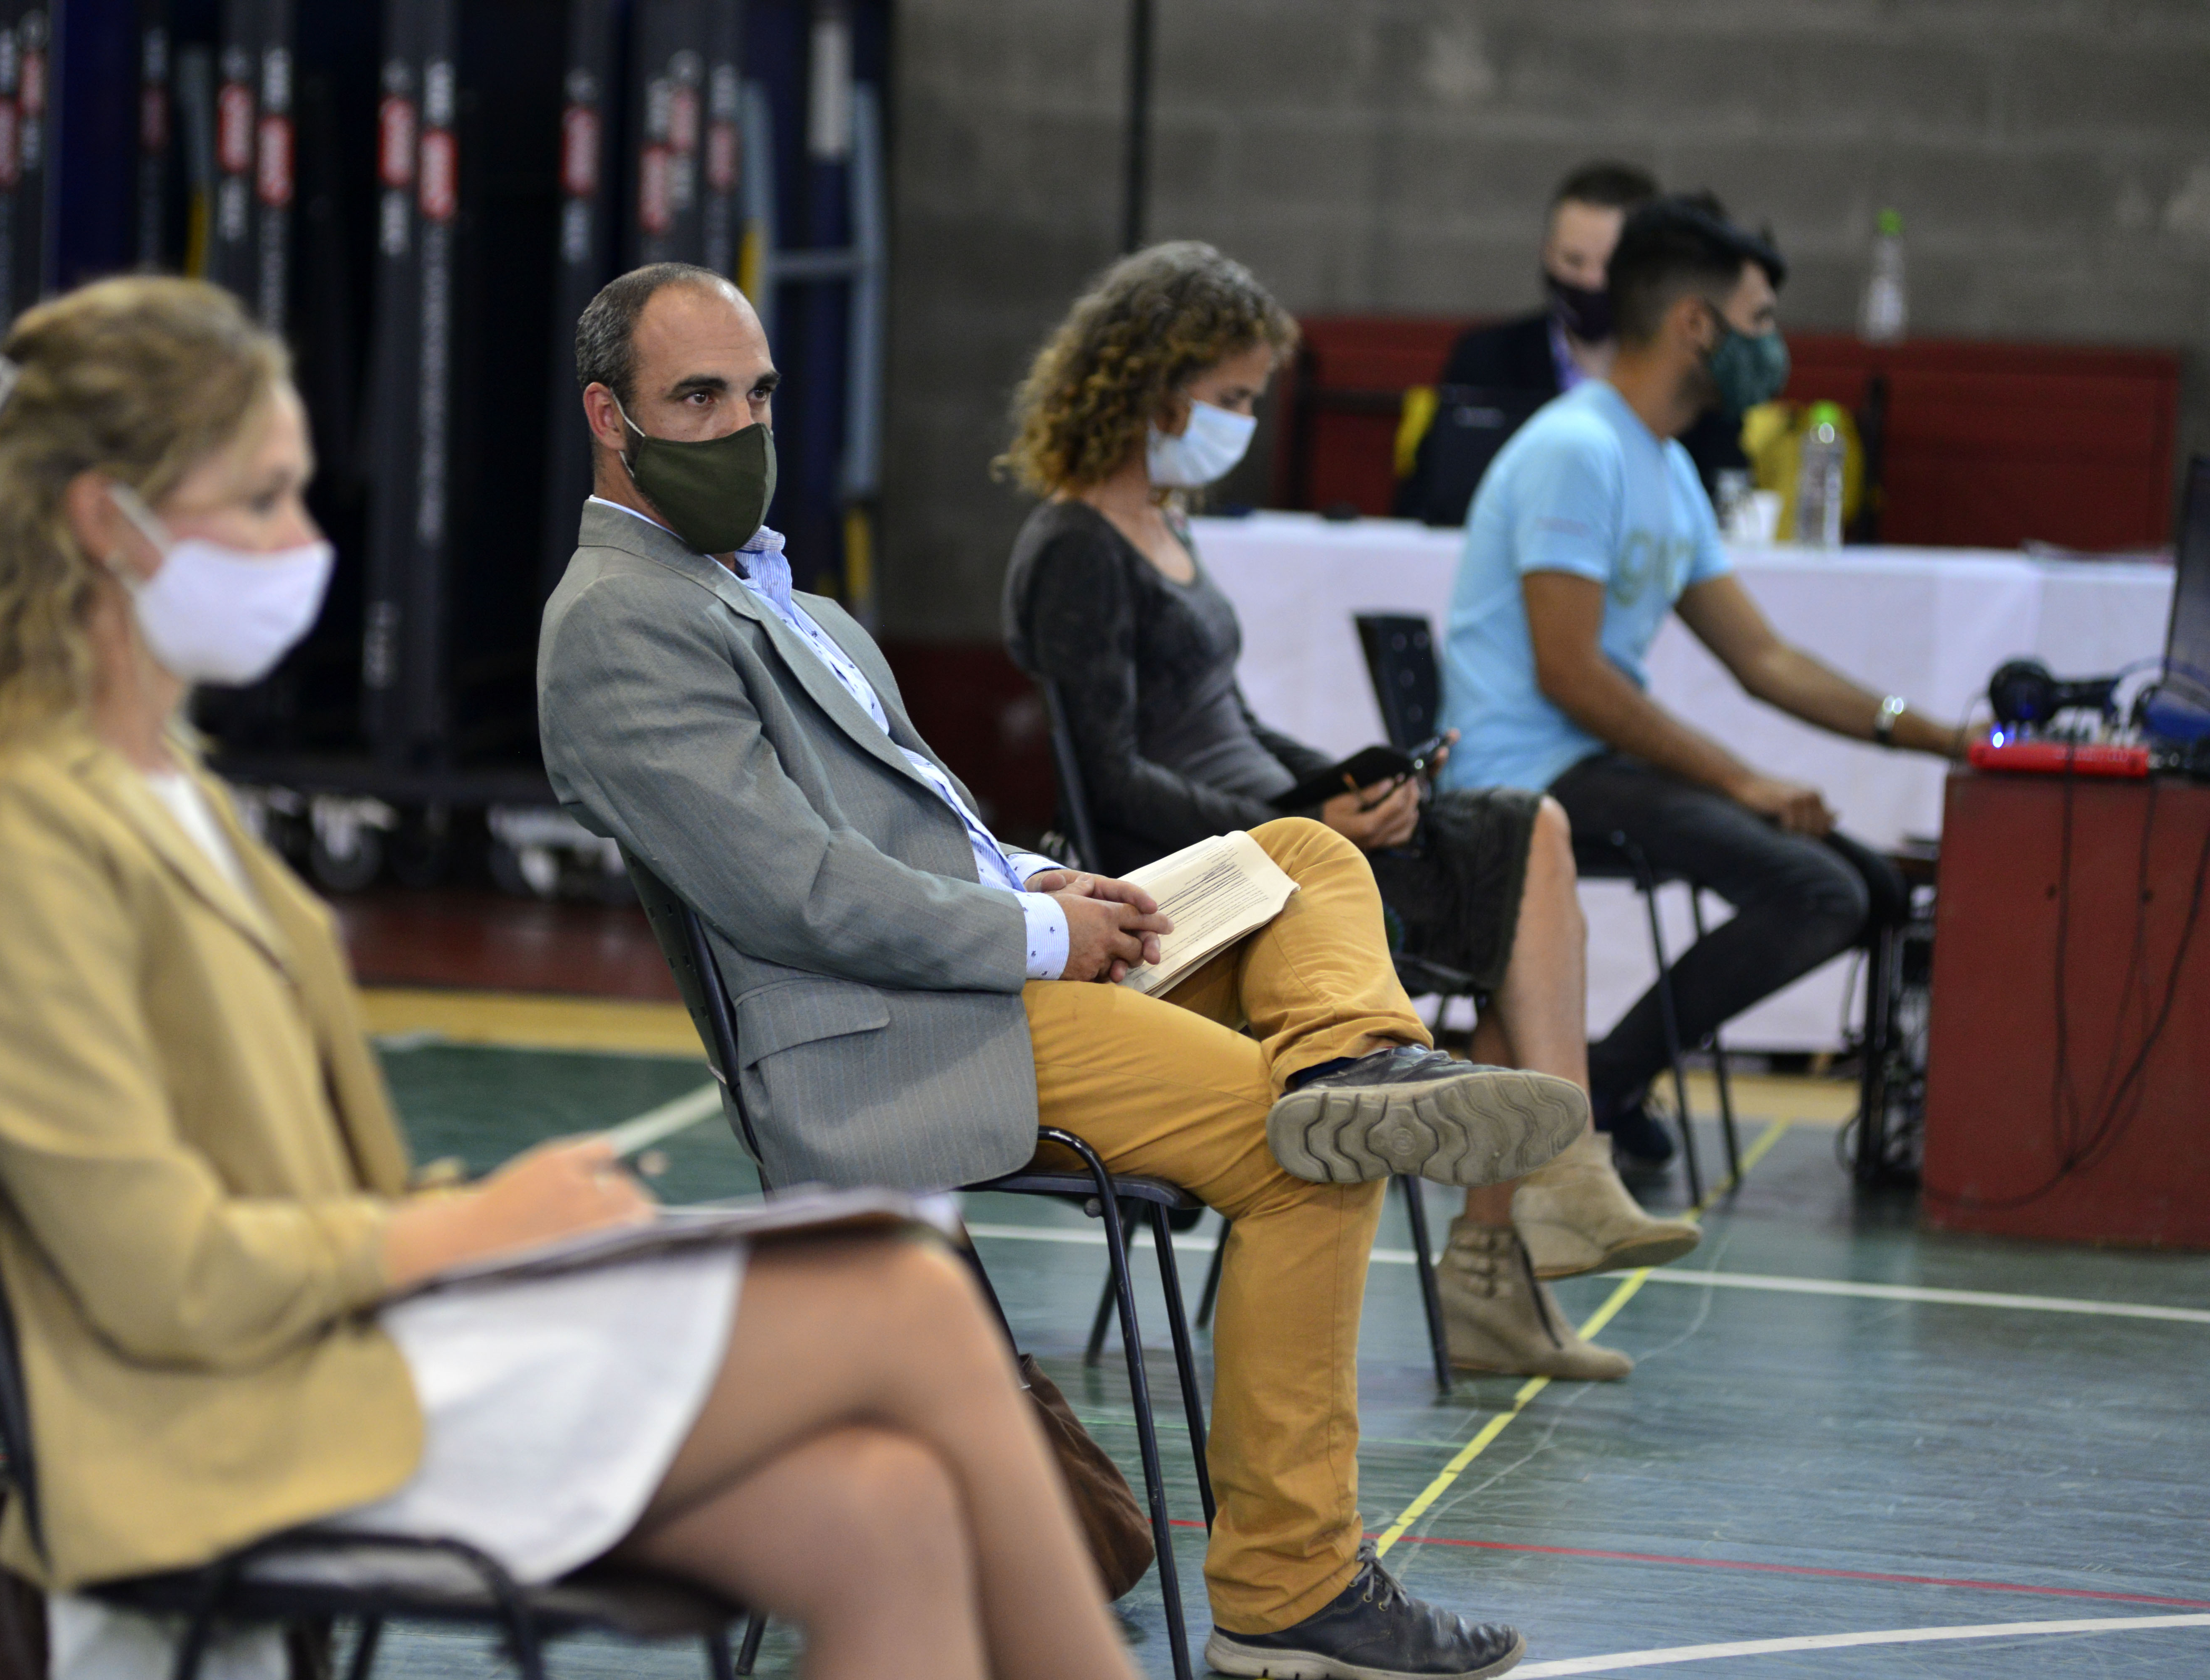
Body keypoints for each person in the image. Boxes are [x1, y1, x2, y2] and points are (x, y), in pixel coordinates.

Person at [0, 275, 1149, 1680]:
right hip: (222, 1419)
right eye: (261, 504)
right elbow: (158, 1273)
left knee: (883, 1508)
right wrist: (471, 1228)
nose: (306, 547)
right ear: (105, 524)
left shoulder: (168, 792)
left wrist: (496, 1230)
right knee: (906, 1300)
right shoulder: (14, 840)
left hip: (339, 1349)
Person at [539, 260, 1590, 1680]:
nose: (741, 426)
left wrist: (1042, 881)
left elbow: (929, 833)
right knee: (1304, 1159)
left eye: (760, 393)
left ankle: (1359, 1060)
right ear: (609, 417)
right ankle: (1289, 1589)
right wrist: (1042, 935)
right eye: (698, 399)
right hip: (892, 1033)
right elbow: (795, 892)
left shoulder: (800, 605)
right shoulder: (614, 622)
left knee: (1301, 856)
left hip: (982, 964)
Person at [999, 242, 1700, 1384]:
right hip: (1196, 873)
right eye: (1230, 398)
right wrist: (1296, 820)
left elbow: (1230, 718)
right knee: (1518, 853)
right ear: (1150, 382)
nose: (1243, 421)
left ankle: (1542, 1205)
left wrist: (1338, 785)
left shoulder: (1165, 526)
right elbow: (1113, 778)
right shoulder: (1075, 546)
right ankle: (1525, 1224)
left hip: (1267, 832)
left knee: (1523, 837)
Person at [1439, 197, 1962, 1173]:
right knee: (1816, 890)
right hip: (1522, 771)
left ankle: (1602, 1081)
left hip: (1588, 760)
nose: (1771, 344)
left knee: (1871, 886)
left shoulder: (1665, 465)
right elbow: (1570, 673)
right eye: (1758, 320)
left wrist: (1944, 737)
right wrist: (1737, 779)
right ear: (1695, 323)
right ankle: (1596, 1088)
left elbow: (1764, 660)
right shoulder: (1577, 449)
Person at [1398, 163, 1744, 514]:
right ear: (1547, 253)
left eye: (1609, 265)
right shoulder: (1487, 359)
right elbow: (1424, 502)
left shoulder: (1694, 373)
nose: (1591, 281)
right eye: (1573, 261)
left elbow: (1729, 504)